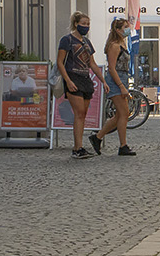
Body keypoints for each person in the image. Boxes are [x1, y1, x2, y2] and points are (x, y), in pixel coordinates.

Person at [91, 17, 137, 157]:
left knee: (120, 114)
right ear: (117, 30)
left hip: (122, 77)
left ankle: (97, 137)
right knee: (124, 113)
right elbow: (111, 68)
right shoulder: (114, 46)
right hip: (116, 79)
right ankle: (123, 145)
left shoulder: (122, 43)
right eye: (125, 27)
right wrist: (121, 86)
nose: (127, 30)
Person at [56, 11, 97, 159]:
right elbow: (60, 62)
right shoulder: (67, 40)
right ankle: (77, 147)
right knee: (79, 113)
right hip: (73, 77)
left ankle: (79, 147)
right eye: (83, 24)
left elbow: (92, 63)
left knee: (82, 115)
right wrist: (68, 80)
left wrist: (103, 80)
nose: (86, 27)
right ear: (76, 24)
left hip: (85, 79)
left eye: (88, 24)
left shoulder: (86, 42)